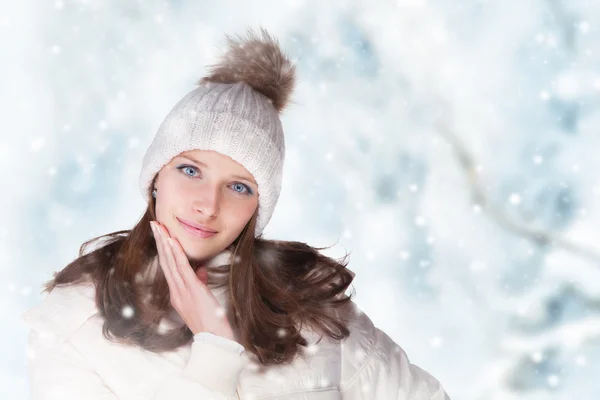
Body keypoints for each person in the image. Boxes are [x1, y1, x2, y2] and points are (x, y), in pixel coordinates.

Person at [21, 27, 451, 400]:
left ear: (257, 208)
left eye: (239, 187)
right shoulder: (75, 325)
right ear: (156, 177)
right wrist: (212, 357)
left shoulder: (305, 303)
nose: (208, 204)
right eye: (190, 170)